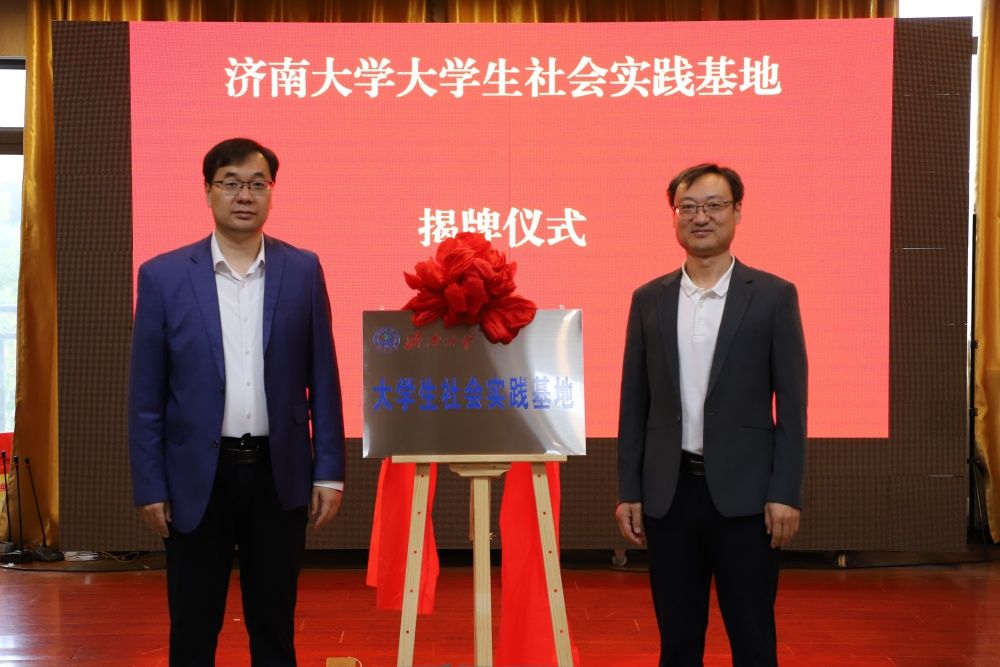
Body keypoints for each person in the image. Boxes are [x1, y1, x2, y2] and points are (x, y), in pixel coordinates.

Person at [128, 137, 346, 666]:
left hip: (278, 473)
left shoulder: (303, 270)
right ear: (208, 191)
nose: (243, 196)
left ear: (271, 192)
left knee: (274, 624)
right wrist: (151, 484)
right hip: (195, 477)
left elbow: (324, 376)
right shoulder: (162, 277)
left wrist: (329, 472)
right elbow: (146, 396)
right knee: (193, 625)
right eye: (230, 183)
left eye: (256, 184)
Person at [615, 163, 807, 666]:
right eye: (688, 207)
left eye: (714, 206)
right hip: (670, 496)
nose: (701, 217)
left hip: (748, 501)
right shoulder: (649, 300)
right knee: (678, 640)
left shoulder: (773, 297)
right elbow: (634, 403)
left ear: (737, 212)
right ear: (674, 216)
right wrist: (630, 489)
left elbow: (792, 408)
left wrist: (785, 492)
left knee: (754, 639)